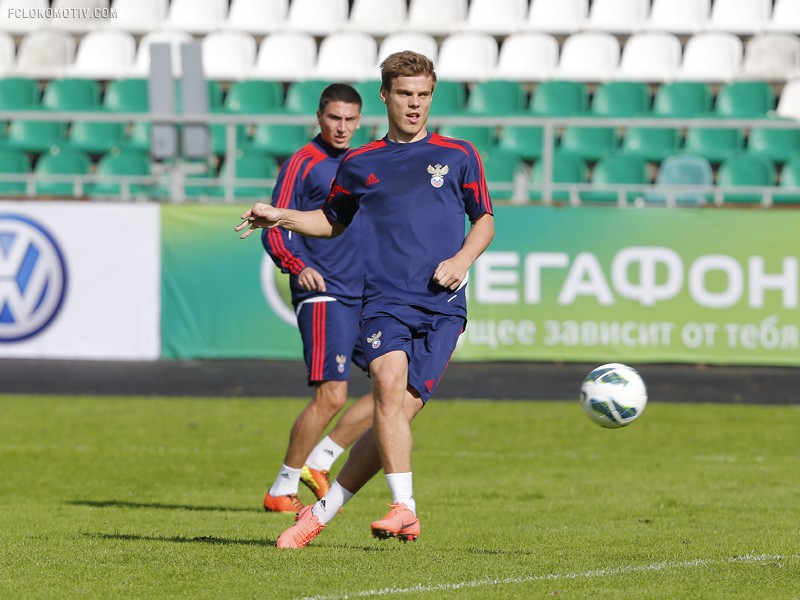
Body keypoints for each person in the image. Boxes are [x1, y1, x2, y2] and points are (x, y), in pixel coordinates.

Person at [236, 51, 495, 547]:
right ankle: (404, 508)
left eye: (423, 94)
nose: (415, 104)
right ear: (385, 95)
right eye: (404, 94)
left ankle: (319, 514)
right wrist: (282, 216)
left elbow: (484, 219)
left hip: (443, 305)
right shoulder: (359, 162)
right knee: (385, 384)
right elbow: (331, 221)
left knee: (395, 414)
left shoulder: (460, 154)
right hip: (383, 300)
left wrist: (463, 260)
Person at [259, 83, 374, 514]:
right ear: (319, 118)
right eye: (334, 118)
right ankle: (282, 488)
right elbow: (273, 224)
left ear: (360, 120)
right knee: (332, 395)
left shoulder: (364, 163)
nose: (341, 127)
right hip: (323, 291)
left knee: (396, 386)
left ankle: (320, 462)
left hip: (365, 293)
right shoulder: (302, 163)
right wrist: (297, 265)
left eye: (349, 119)